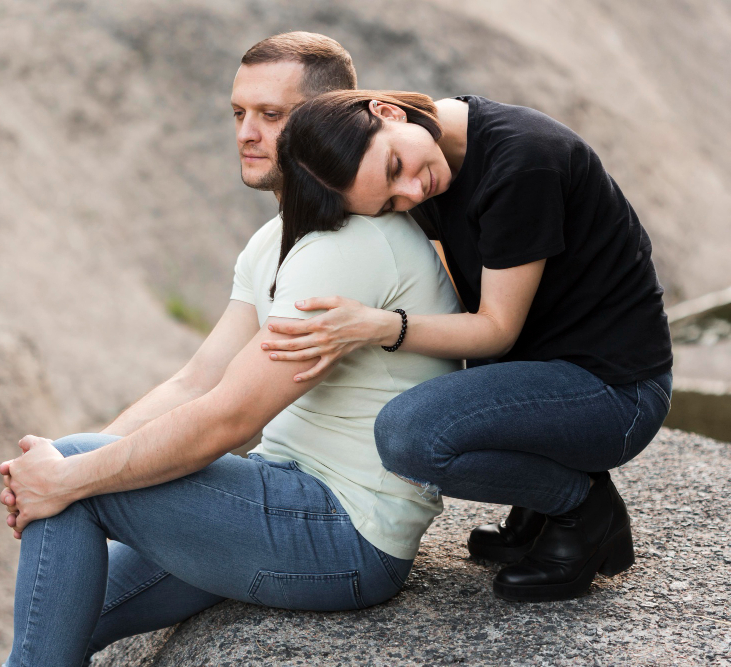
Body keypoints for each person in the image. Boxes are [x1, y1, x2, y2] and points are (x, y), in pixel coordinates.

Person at [0, 34, 461, 666]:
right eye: (239, 114)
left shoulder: (351, 245)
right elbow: (197, 381)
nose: (247, 132)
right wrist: (59, 469)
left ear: (327, 121)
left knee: (80, 477)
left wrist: (72, 474)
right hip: (280, 496)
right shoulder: (276, 240)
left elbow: (232, 418)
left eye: (272, 116)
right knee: (57, 607)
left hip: (344, 533)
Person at [264, 89, 673, 602]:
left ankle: (584, 508)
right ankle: (541, 508)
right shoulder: (435, 148)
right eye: (389, 203)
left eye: (396, 167)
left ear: (386, 111)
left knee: (408, 435)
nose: (412, 192)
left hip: (617, 393)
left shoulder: (522, 164)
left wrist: (375, 325)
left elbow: (496, 327)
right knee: (430, 409)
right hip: (550, 372)